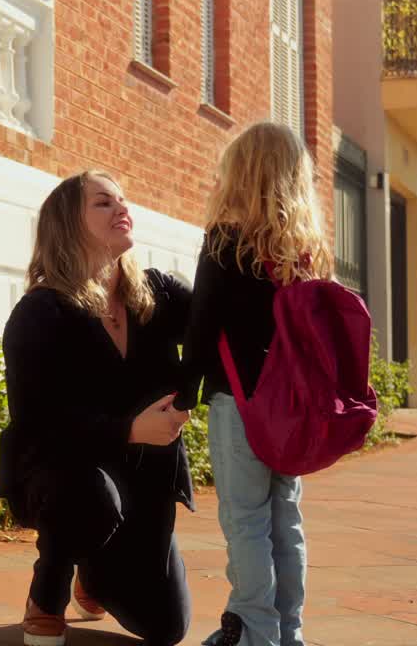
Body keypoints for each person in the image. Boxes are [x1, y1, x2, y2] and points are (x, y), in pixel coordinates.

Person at [0, 170, 194, 646]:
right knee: (90, 496)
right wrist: (128, 430)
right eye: (104, 203)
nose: (122, 209)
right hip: (62, 471)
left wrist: (185, 400)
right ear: (68, 224)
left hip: (145, 477)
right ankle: (46, 597)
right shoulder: (41, 312)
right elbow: (38, 423)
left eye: (123, 200)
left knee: (166, 627)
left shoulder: (156, 293)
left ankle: (94, 569)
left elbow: (213, 334)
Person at [176, 122, 333, 646]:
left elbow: (201, 326)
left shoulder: (225, 241)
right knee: (285, 520)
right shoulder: (303, 254)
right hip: (291, 411)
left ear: (240, 174)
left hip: (239, 405)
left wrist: (183, 396)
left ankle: (252, 631)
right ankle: (289, 633)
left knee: (245, 521)